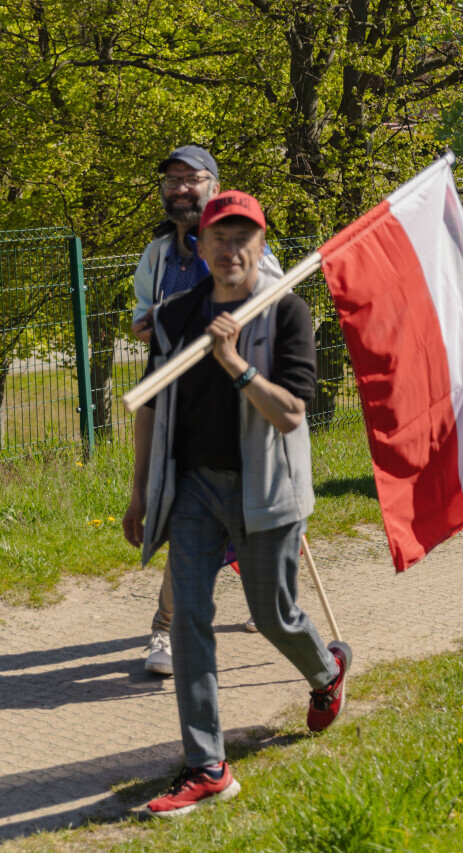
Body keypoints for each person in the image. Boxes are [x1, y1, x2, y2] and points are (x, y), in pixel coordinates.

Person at [122, 190, 350, 817]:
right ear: (200, 246)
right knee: (189, 619)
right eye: (218, 237)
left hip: (266, 487)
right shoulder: (176, 316)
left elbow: (292, 413)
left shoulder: (287, 312)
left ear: (260, 245)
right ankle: (207, 766)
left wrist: (233, 363)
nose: (230, 248)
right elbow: (151, 403)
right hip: (193, 488)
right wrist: (140, 490)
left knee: (273, 614)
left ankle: (326, 672)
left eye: (243, 237)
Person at [134, 146, 281, 677]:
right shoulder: (158, 254)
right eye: (171, 180)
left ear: (214, 187)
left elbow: (276, 306)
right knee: (184, 519)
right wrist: (157, 322)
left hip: (242, 404)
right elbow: (143, 318)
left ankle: (271, 606)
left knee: (255, 521)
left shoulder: (247, 246)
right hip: (180, 408)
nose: (179, 189)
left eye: (190, 179)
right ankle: (166, 628)